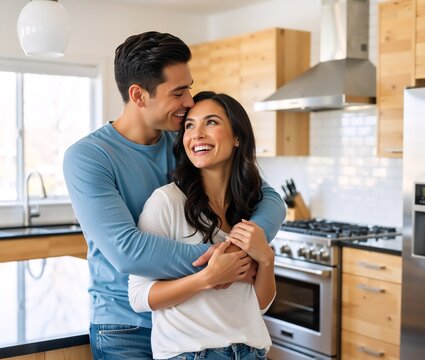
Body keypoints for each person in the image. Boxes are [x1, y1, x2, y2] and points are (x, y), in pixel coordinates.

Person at [62, 32, 285, 360]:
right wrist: (222, 259)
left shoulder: (184, 145)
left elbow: (268, 198)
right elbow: (128, 252)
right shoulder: (90, 157)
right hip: (127, 326)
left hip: (191, 321)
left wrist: (249, 244)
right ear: (139, 95)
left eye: (189, 88)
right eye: (179, 92)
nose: (189, 102)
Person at [129, 91, 276, 360]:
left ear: (237, 137)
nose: (196, 134)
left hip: (251, 352)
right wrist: (207, 278)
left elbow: (260, 305)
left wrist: (266, 261)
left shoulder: (253, 206)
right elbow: (139, 297)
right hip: (192, 355)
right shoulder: (167, 202)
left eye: (211, 122)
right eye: (189, 125)